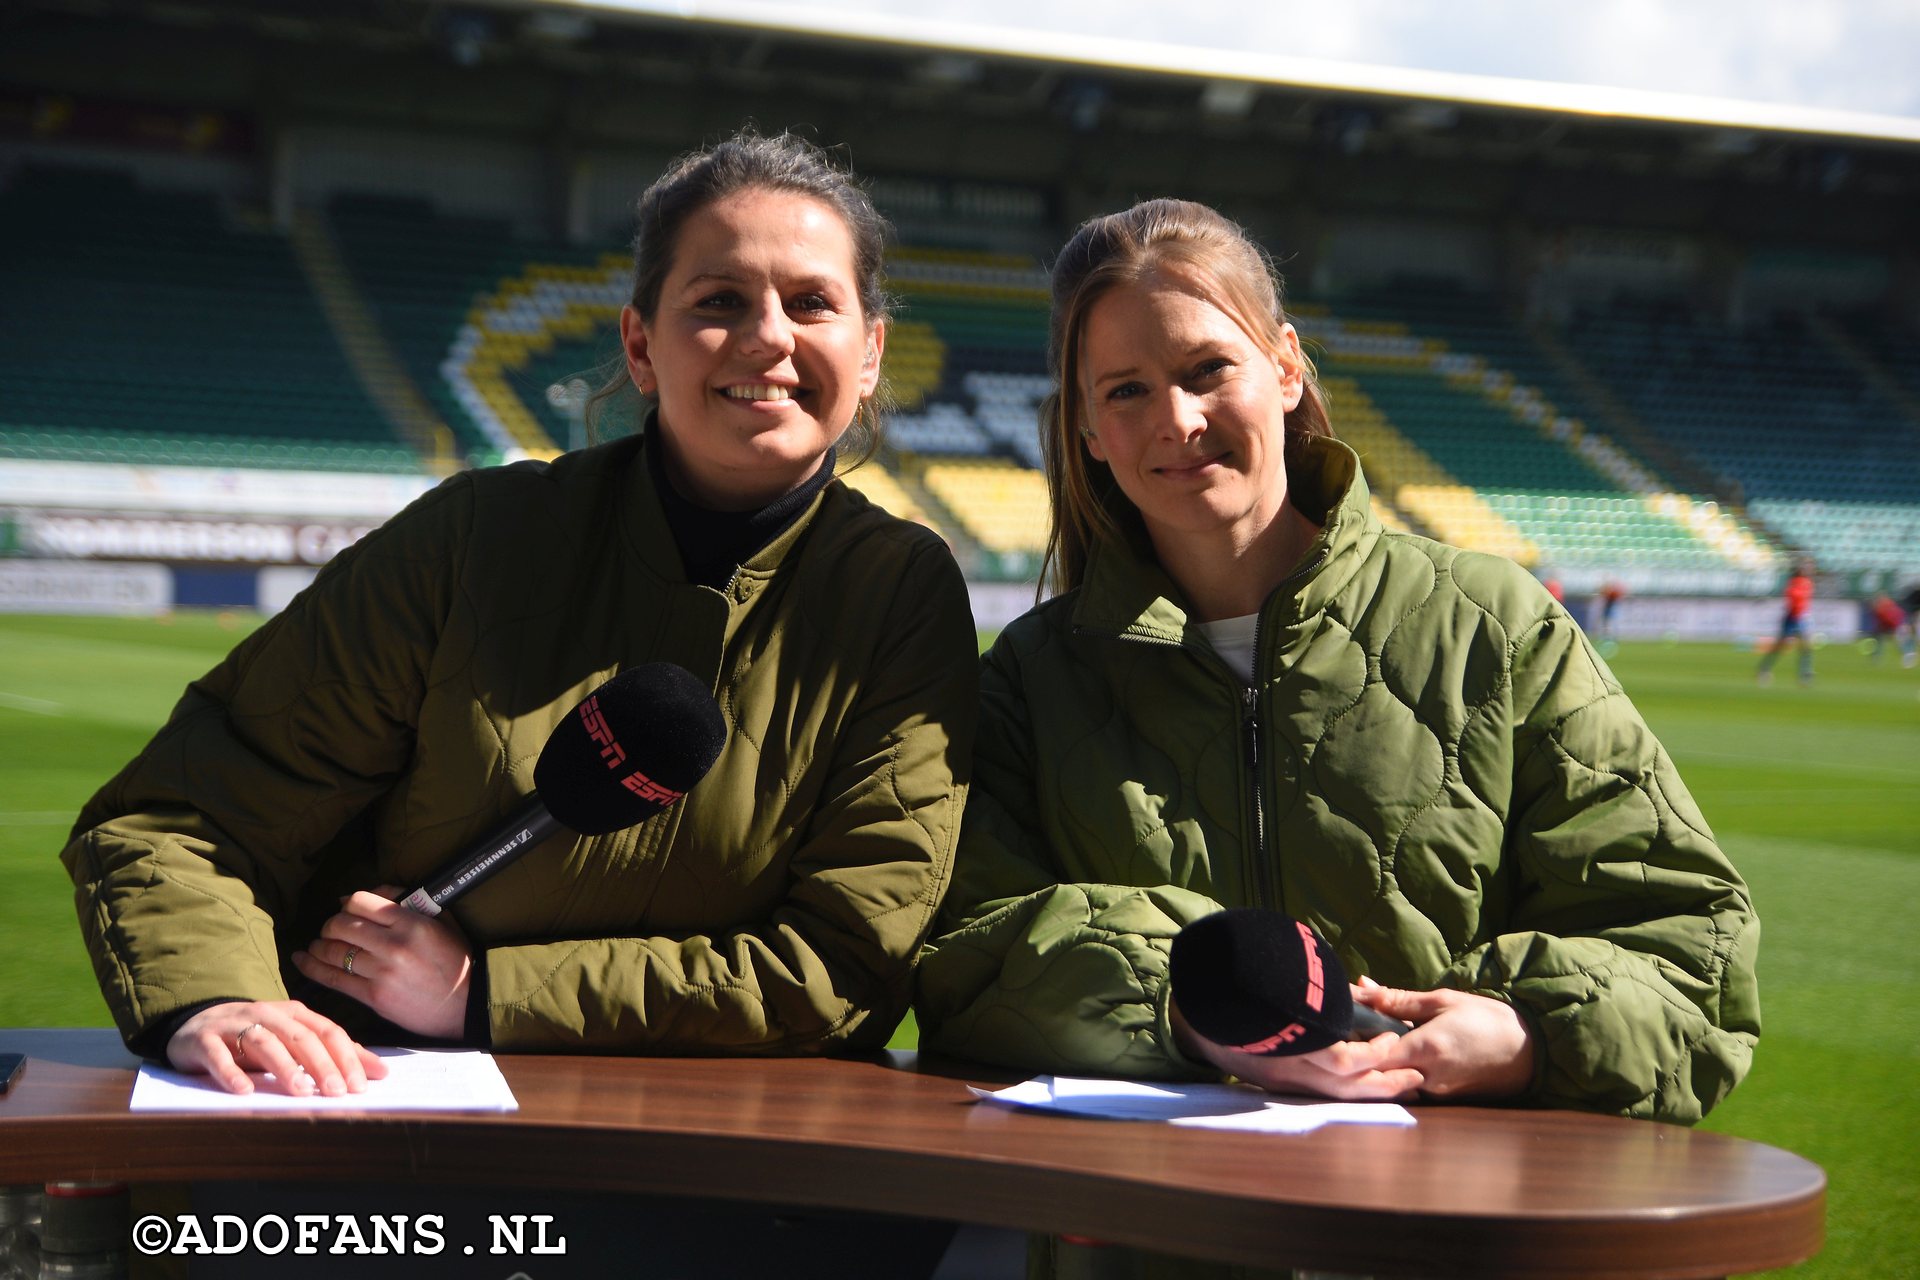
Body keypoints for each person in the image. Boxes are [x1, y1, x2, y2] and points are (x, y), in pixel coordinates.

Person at [62, 131, 978, 1098]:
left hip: (707, 1155)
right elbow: (179, 819)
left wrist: (482, 992)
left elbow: (842, 968)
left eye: (811, 303)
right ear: (639, 346)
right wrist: (214, 999)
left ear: (870, 352)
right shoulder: (476, 538)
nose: (767, 337)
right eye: (718, 302)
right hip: (377, 1113)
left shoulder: (898, 595)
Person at [915, 199, 1757, 1134]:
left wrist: (1525, 1033)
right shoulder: (1030, 681)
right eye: (1126, 391)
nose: (1178, 419)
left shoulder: (1496, 626)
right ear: (1084, 429)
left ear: (1284, 366)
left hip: (1442, 1232)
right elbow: (959, 960)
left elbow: (1690, 954)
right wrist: (1196, 1006)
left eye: (1207, 370)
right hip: (1153, 1235)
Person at [1756, 561, 1816, 685]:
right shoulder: (1795, 583)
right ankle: (1764, 668)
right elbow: (1793, 600)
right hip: (1793, 618)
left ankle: (1805, 673)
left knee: (1805, 647)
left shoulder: (1808, 583)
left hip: (1802, 618)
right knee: (1781, 646)